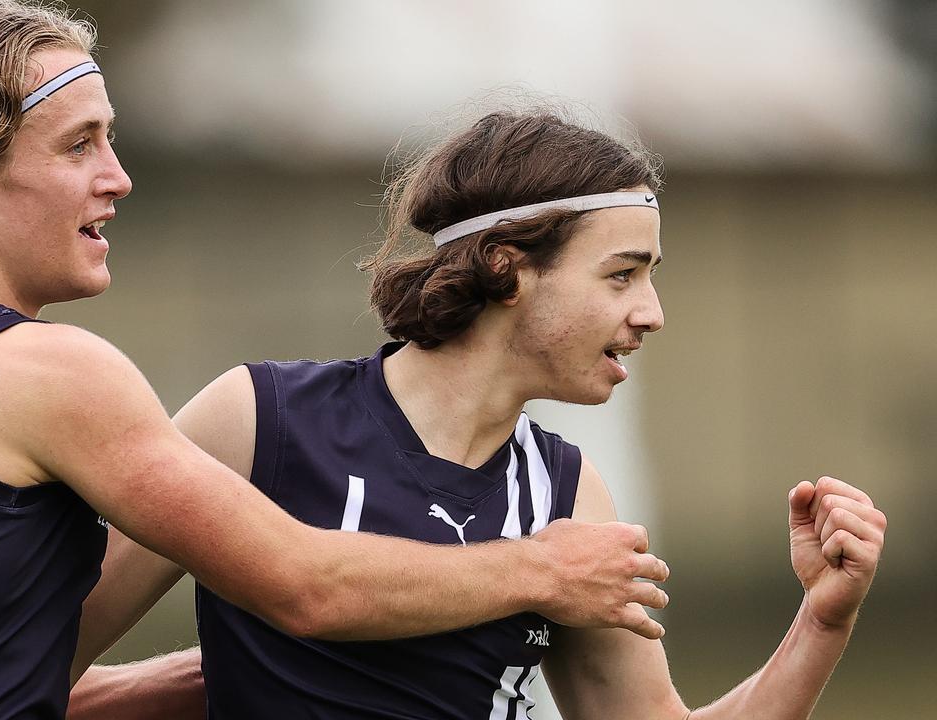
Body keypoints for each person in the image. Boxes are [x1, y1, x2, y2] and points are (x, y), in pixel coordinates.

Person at [0, 3, 676, 718]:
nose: (117, 175)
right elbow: (307, 585)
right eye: (80, 144)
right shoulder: (43, 371)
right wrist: (543, 571)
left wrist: (227, 671)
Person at [67, 111, 887, 719]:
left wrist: (822, 618)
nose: (652, 312)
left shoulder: (568, 496)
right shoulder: (258, 420)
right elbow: (30, 664)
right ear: (509, 267)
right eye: (622, 275)